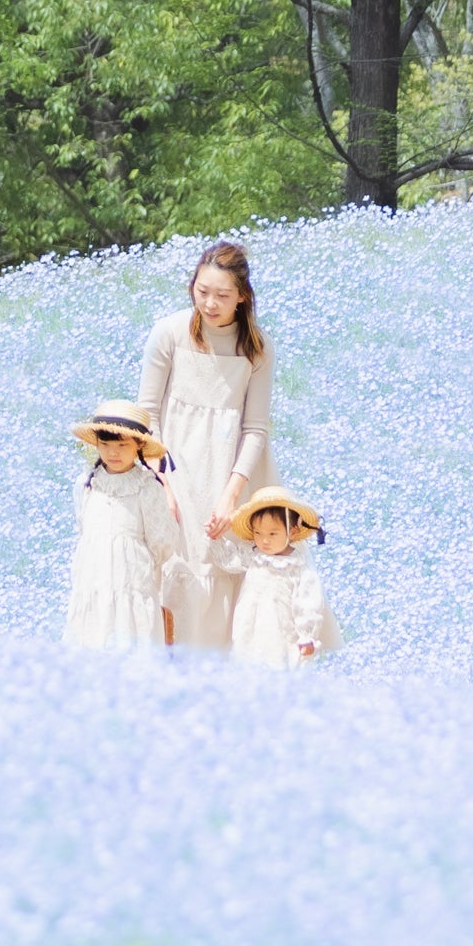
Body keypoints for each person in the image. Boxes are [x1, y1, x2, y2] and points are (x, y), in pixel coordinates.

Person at [136, 240, 274, 651]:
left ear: (243, 296)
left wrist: (232, 496)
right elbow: (148, 413)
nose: (210, 303)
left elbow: (255, 428)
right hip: (173, 468)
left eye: (222, 295)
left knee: (223, 572)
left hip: (227, 471)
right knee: (172, 571)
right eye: (202, 291)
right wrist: (163, 484)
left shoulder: (258, 348)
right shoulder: (169, 333)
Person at [62, 403, 181, 652]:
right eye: (105, 445)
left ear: (138, 445)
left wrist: (132, 557)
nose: (112, 452)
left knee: (128, 638)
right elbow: (84, 526)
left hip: (130, 582)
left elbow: (163, 542)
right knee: (93, 636)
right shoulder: (87, 483)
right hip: (93, 579)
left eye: (122, 445)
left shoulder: (146, 487)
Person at [224, 487, 340, 668]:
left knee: (278, 662)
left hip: (280, 628)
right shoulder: (254, 555)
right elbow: (230, 560)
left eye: (272, 533)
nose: (264, 540)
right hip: (249, 623)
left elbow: (308, 600)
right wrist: (214, 539)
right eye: (258, 533)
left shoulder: (297, 565)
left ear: (292, 531)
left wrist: (307, 635)